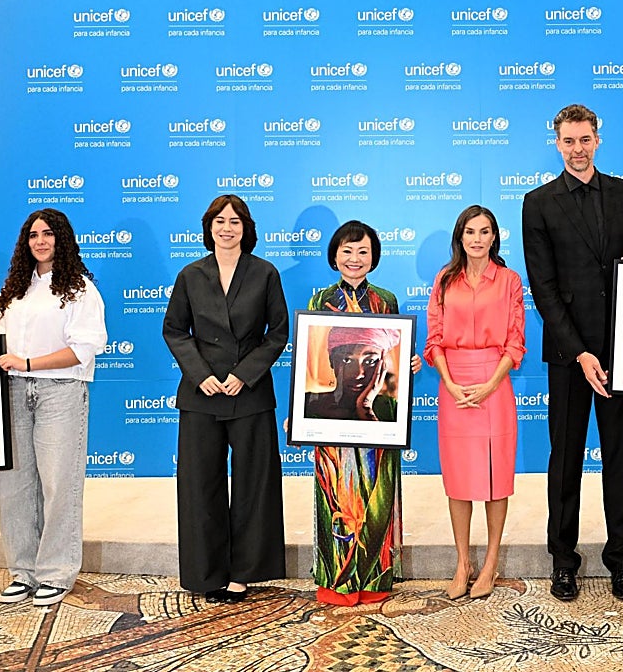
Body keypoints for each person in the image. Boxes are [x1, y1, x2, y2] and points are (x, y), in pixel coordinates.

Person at [521, 103, 623, 603]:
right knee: (565, 461)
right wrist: (581, 354)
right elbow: (544, 289)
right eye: (568, 141)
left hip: (622, 352)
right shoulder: (538, 202)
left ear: (598, 139)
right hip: (569, 356)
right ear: (557, 143)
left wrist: (618, 348)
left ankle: (621, 561)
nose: (577, 149)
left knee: (620, 461)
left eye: (584, 140)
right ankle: (564, 562)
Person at [163, 195, 288, 604]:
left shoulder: (265, 273)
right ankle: (207, 572)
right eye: (220, 220)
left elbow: (277, 333)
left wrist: (243, 375)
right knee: (201, 487)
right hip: (201, 395)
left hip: (249, 393)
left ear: (246, 228)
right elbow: (175, 331)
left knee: (255, 485)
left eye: (235, 221)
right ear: (208, 227)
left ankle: (244, 572)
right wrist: (202, 377)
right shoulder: (190, 274)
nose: (227, 228)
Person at [0, 208, 107, 607]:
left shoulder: (79, 290)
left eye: (48, 234)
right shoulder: (13, 291)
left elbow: (83, 349)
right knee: (15, 486)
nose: (40, 241)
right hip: (12, 394)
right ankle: (23, 572)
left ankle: (55, 573)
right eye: (33, 234)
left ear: (63, 239)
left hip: (60, 392)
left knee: (59, 484)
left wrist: (28, 363)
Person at [306, 220, 420, 606]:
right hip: (332, 427)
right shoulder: (319, 301)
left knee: (377, 493)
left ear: (374, 257)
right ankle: (335, 582)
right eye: (347, 251)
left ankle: (374, 580)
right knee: (335, 494)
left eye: (363, 252)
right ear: (334, 255)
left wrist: (408, 364)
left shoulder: (386, 300)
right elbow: (309, 352)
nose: (355, 259)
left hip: (378, 427)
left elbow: (392, 359)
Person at [426, 205, 525, 601]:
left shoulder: (509, 280)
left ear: (494, 238)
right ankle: (463, 562)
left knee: (496, 479)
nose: (478, 239)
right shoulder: (445, 280)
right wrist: (449, 383)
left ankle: (490, 564)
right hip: (453, 386)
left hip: (495, 384)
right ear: (460, 237)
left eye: (485, 231)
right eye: (471, 232)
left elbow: (515, 340)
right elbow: (434, 339)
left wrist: (490, 383)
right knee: (459, 481)